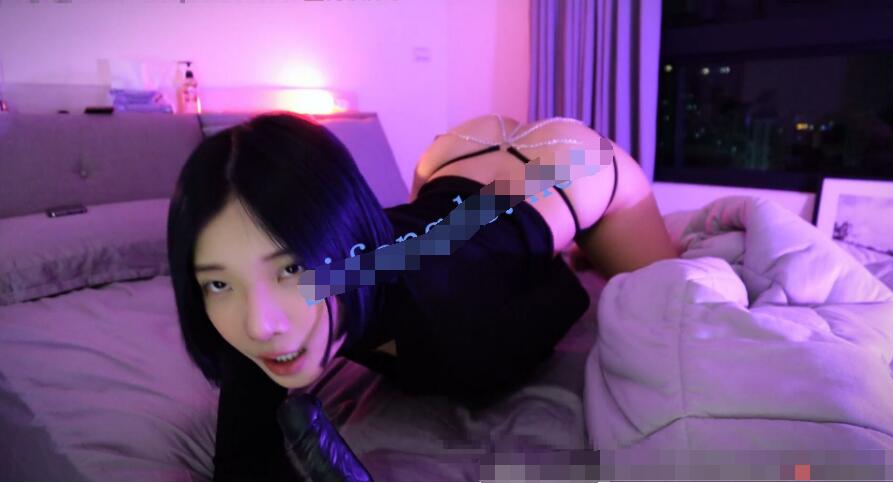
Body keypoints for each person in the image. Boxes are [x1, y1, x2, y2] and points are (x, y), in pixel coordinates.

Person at [166, 112, 677, 480]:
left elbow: (566, 294)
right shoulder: (254, 318)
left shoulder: (460, 329)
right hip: (453, 157)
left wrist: (576, 252)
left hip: (571, 167)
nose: (259, 325)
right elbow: (241, 463)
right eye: (219, 283)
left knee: (662, 284)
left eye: (292, 268)